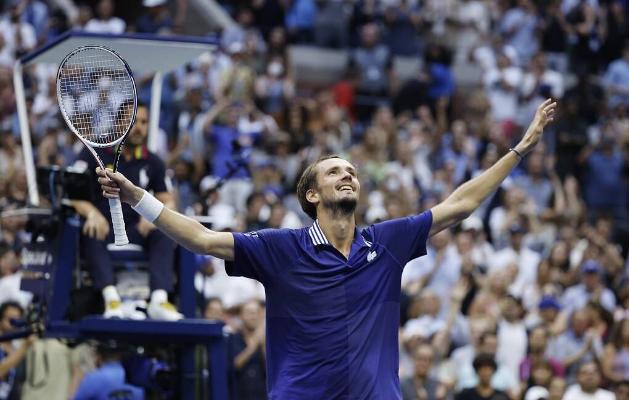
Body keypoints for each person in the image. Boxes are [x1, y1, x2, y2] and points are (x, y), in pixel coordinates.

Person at [96, 100, 556, 398]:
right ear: (312, 195)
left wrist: (518, 150)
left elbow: (462, 204)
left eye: (351, 170)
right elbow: (200, 238)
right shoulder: (280, 248)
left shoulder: (387, 243)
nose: (348, 174)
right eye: (335, 171)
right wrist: (138, 196)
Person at [72, 103, 181, 321]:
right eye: (134, 122)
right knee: (91, 230)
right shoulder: (96, 153)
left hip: (136, 230)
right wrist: (92, 214)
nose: (139, 128)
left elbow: (168, 200)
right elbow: (72, 195)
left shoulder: (153, 161)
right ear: (119, 123)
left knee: (163, 230)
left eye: (144, 122)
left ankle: (159, 300)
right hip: (104, 228)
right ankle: (111, 298)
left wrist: (155, 217)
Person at [0, 301, 35, 400]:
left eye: (18, 320)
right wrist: (25, 347)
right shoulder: (21, 348)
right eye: (10, 320)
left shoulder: (18, 348)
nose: (14, 324)